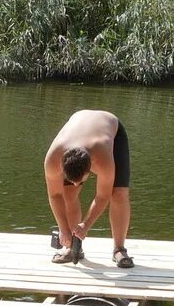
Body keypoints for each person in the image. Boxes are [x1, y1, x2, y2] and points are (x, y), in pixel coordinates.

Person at [44, 109, 134, 268]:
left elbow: (102, 196)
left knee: (118, 193)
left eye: (80, 181)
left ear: (91, 167)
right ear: (62, 167)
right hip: (79, 123)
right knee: (68, 193)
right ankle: (73, 247)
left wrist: (86, 225)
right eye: (72, 180)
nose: (77, 184)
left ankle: (119, 249)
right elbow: (55, 195)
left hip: (110, 127)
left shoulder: (102, 156)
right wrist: (63, 229)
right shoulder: (52, 160)